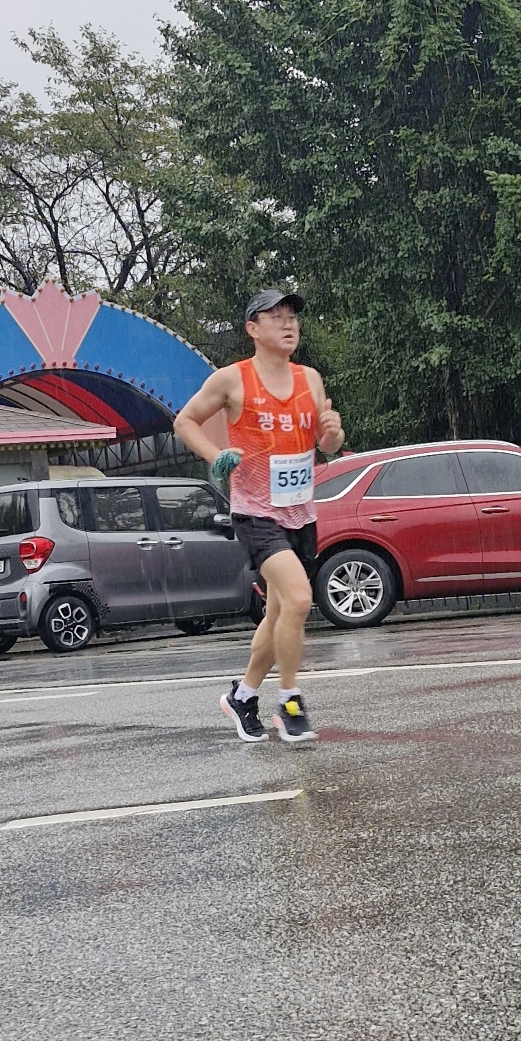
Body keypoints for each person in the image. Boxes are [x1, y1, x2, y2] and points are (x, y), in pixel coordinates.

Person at [173, 289, 344, 743]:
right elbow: (184, 421)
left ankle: (243, 695)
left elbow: (325, 445)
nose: (289, 324)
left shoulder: (310, 379)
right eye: (277, 317)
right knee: (300, 599)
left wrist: (333, 434)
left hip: (300, 512)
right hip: (255, 513)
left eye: (293, 317)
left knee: (279, 614)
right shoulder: (233, 380)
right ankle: (290, 703)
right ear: (252, 329)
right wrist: (216, 456)